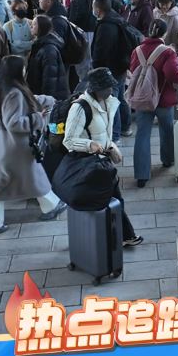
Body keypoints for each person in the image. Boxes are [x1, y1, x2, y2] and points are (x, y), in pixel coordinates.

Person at [0, 56, 65, 235]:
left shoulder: (5, 89)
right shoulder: (14, 93)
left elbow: (28, 101)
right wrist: (39, 118)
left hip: (7, 147)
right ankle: (50, 205)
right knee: (26, 178)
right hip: (17, 148)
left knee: (7, 181)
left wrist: (47, 100)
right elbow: (14, 122)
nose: (25, 70)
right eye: (23, 67)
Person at [63, 67, 143, 246]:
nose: (111, 90)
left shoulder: (108, 102)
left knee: (114, 199)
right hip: (88, 164)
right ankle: (117, 237)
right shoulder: (80, 108)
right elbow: (68, 140)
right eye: (107, 87)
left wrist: (111, 146)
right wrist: (90, 145)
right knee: (109, 200)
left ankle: (123, 236)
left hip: (103, 162)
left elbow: (103, 133)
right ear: (96, 89)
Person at [131, 18, 178, 187]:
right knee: (167, 129)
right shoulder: (167, 52)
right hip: (163, 99)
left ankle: (141, 175)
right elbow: (172, 73)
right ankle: (167, 159)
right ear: (164, 33)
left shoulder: (137, 50)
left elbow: (133, 70)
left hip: (143, 99)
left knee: (142, 134)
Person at [91, 0, 132, 141]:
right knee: (119, 97)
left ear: (98, 9)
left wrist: (96, 69)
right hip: (120, 66)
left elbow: (101, 52)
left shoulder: (106, 26)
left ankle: (114, 135)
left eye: (93, 7)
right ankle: (126, 126)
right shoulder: (115, 18)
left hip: (111, 69)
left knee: (111, 102)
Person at [26, 14, 69, 101]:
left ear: (42, 27)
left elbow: (50, 79)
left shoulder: (48, 49)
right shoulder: (40, 45)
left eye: (34, 24)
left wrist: (45, 101)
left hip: (48, 99)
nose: (31, 26)